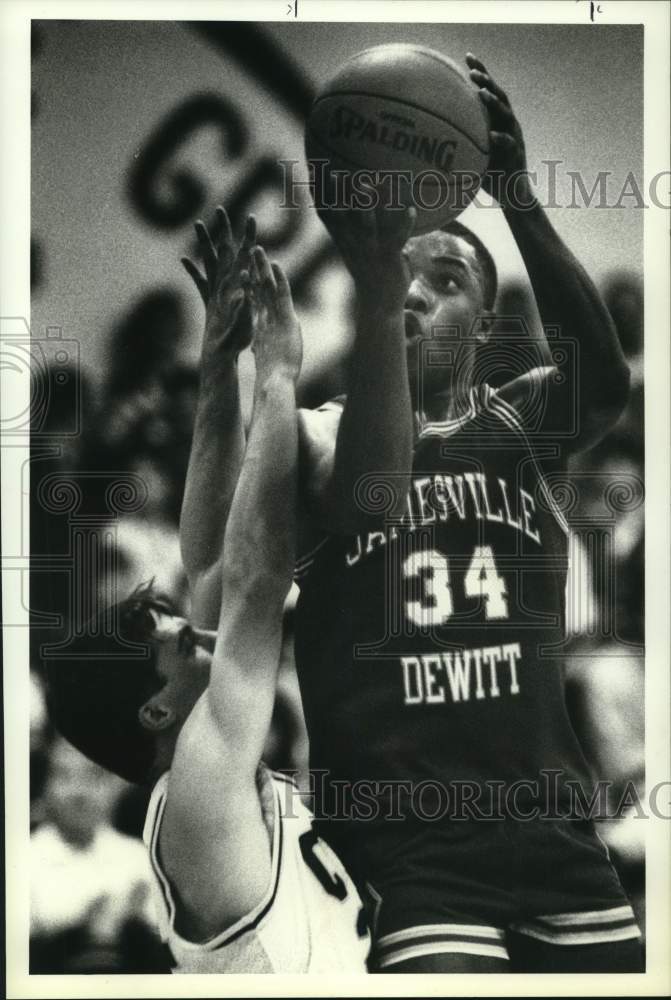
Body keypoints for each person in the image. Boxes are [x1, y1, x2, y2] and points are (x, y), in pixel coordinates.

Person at [292, 53, 642, 972]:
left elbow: (602, 383)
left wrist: (515, 197)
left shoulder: (516, 419)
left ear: (484, 329)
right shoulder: (314, 436)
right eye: (400, 274)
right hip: (408, 845)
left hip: (551, 829)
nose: (414, 292)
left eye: (446, 280)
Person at [45, 213, 369, 974]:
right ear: (155, 708)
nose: (195, 632)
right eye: (173, 640)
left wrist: (221, 365)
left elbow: (210, 553)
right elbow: (256, 579)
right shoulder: (198, 783)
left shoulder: (194, 765)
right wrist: (280, 377)